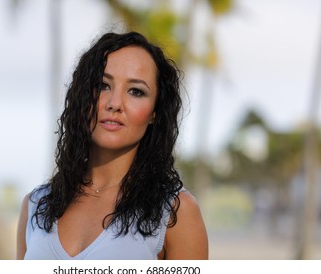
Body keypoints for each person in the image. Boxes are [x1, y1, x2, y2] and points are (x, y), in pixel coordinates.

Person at [16, 31, 208, 260]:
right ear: (84, 96)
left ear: (154, 113)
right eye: (103, 85)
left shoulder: (175, 213)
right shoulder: (36, 205)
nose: (115, 103)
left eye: (136, 91)